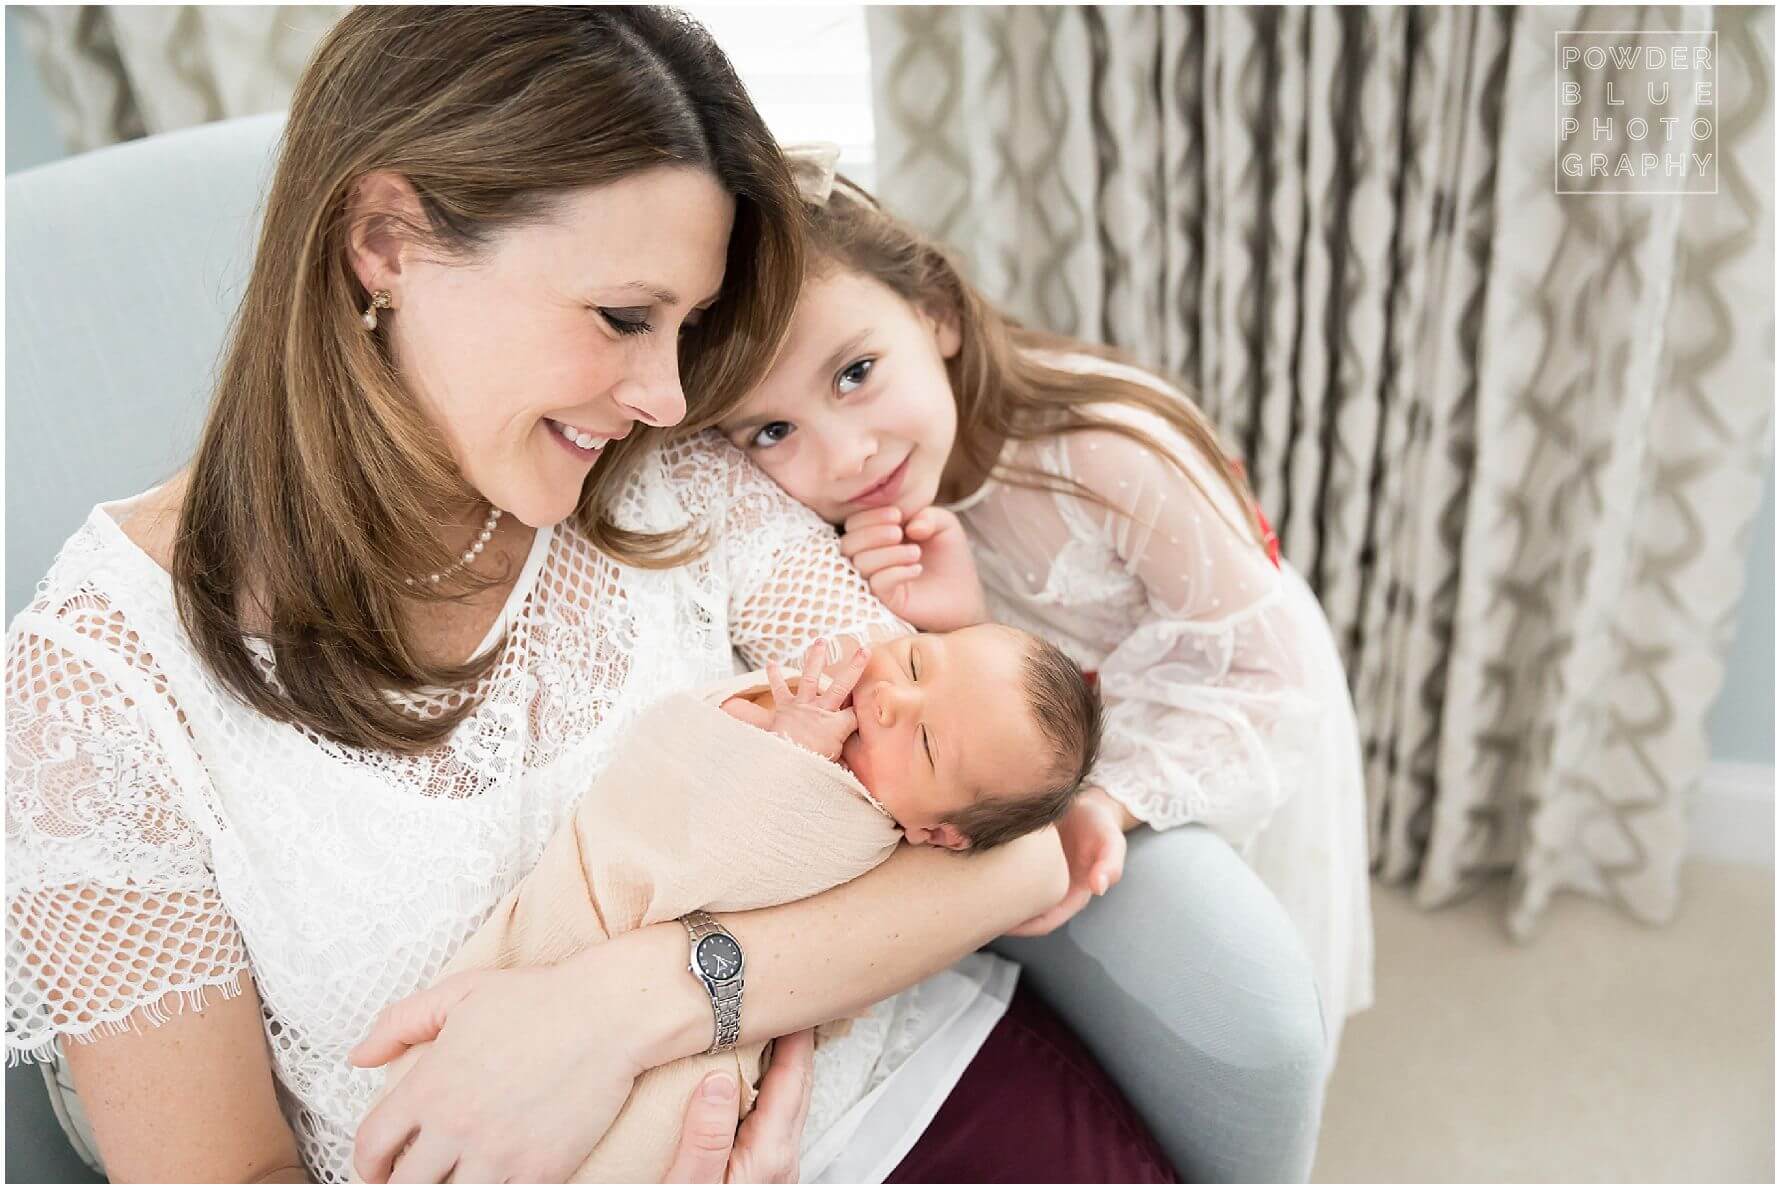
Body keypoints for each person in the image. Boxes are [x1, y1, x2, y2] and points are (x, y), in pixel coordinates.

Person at [4, 8, 1185, 1184]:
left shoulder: (668, 477)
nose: (670, 397)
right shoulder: (101, 690)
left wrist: (638, 1000)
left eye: (686, 325)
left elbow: (1016, 849)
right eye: (625, 316)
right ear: (385, 241)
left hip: (929, 1097)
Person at [715, 150, 1376, 1059]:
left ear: (936, 313)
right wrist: (953, 624)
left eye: (856, 372)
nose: (846, 457)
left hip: (1222, 704)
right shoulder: (827, 527)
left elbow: (1273, 675)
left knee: (1254, 973)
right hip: (1047, 747)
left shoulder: (1108, 453)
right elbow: (984, 700)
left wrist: (1112, 799)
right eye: (774, 430)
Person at [372, 627, 1102, 1183]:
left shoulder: (865, 824)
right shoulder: (841, 674)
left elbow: (738, 852)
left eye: (928, 742)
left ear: (934, 832)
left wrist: (792, 762)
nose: (888, 698)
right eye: (915, 661)